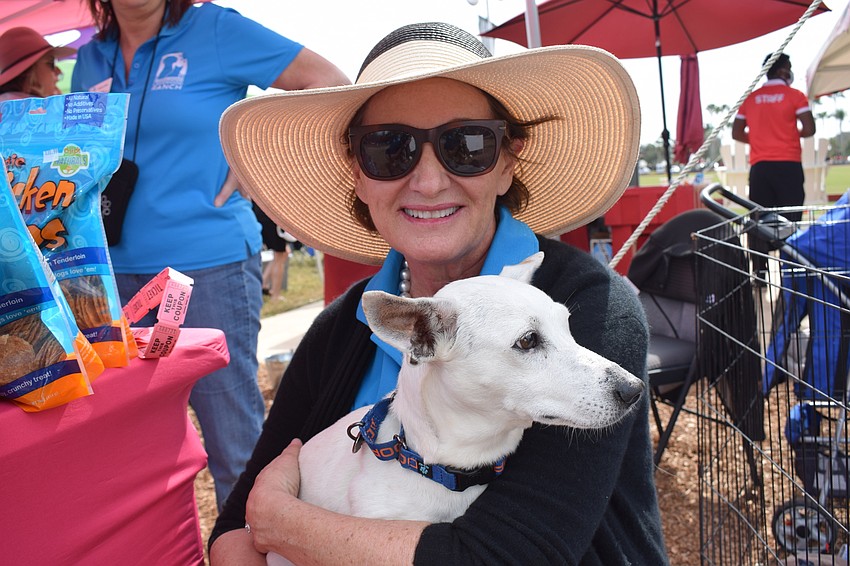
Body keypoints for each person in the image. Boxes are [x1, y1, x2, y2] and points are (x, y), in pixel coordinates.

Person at [210, 22, 668, 565]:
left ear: (507, 163)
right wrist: (259, 529)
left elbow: (515, 556)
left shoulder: (590, 306)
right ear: (358, 174)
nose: (428, 181)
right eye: (389, 149)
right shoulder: (341, 330)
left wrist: (286, 525)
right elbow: (233, 536)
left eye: (466, 145)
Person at [70, 0, 350, 511]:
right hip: (106, 275)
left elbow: (329, 81)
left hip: (206, 268)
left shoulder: (215, 29)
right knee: (132, 450)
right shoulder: (90, 58)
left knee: (233, 441)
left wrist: (261, 158)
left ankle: (251, 547)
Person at [732, 52, 816, 279]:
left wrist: (760, 139)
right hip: (788, 165)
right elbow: (809, 129)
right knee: (790, 218)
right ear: (782, 70)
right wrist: (787, 136)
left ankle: (760, 273)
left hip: (760, 168)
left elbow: (736, 132)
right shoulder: (795, 95)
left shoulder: (751, 98)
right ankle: (791, 271)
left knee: (758, 220)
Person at [0, 27, 75, 101]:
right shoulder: (33, 108)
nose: (59, 71)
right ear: (29, 73)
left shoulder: (8, 105)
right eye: (51, 63)